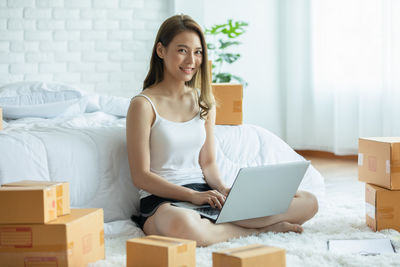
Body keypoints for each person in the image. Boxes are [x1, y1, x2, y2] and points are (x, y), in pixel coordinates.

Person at [126, 14, 318, 247]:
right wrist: (192, 196)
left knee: (308, 201)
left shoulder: (203, 101)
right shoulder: (143, 105)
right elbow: (141, 176)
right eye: (182, 50)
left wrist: (225, 189)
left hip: (205, 195)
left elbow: (207, 163)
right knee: (184, 225)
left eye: (198, 52)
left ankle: (225, 228)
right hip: (163, 202)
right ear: (161, 50)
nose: (191, 60)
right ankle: (261, 230)